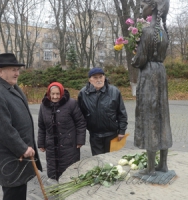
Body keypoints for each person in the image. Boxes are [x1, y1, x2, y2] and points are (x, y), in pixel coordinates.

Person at [0, 53, 42, 200]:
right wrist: (22, 148)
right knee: (14, 194)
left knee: (19, 191)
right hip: (10, 159)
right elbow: (3, 129)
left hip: (17, 155)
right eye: (13, 69)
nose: (17, 73)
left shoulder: (10, 86)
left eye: (17, 69)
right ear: (0, 71)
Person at [131, 0, 172, 176]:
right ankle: (163, 164)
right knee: (162, 117)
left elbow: (140, 59)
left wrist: (134, 58)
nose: (141, 8)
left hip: (149, 75)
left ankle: (150, 169)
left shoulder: (147, 32)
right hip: (161, 74)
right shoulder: (163, 33)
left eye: (143, 5)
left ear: (153, 7)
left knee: (150, 117)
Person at [37, 82, 86, 181]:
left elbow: (80, 122)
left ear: (62, 93)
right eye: (53, 94)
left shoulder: (71, 103)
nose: (55, 97)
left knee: (70, 171)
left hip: (69, 144)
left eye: (58, 94)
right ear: (49, 94)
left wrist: (80, 140)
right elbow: (41, 127)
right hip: (51, 145)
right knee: (54, 171)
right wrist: (41, 143)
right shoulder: (43, 106)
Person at [78, 67, 128, 156]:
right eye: (95, 77)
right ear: (90, 80)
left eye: (100, 77)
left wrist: (122, 131)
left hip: (112, 134)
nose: (99, 80)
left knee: (112, 161)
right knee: (98, 161)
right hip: (95, 135)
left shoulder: (114, 91)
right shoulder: (83, 93)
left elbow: (121, 113)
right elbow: (79, 116)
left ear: (104, 78)